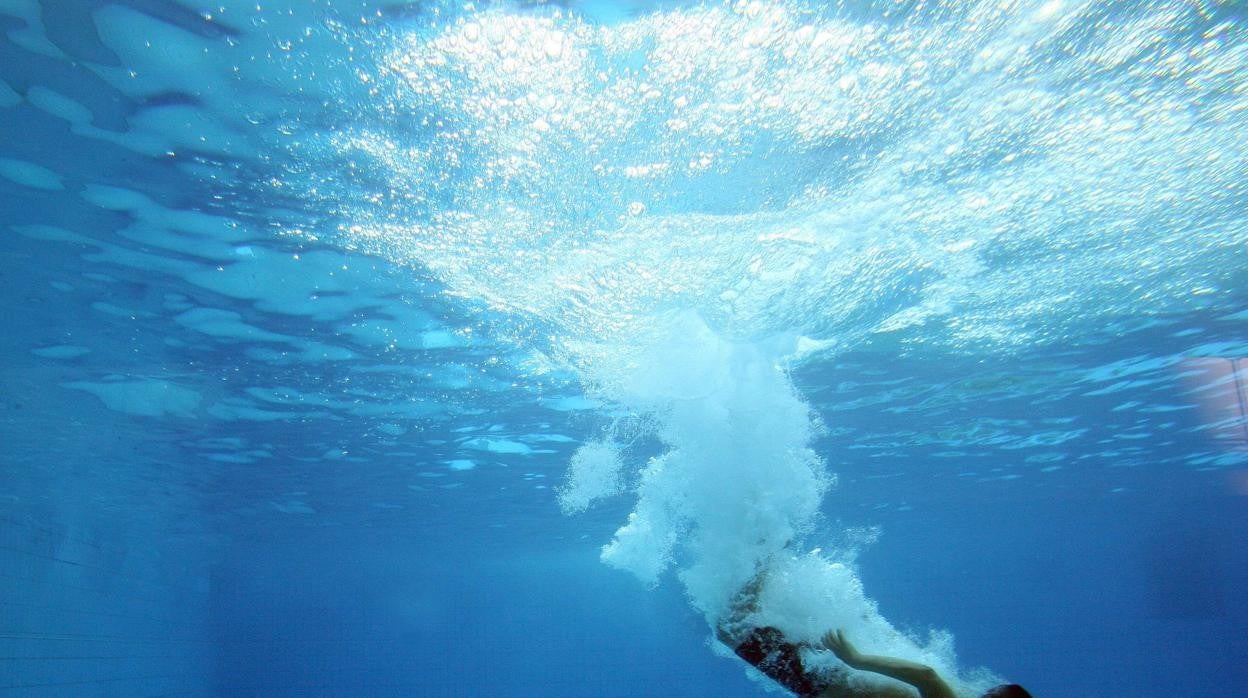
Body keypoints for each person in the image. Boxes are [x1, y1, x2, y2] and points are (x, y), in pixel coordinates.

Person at [716, 570, 1032, 698]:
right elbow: (926, 674)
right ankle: (765, 553)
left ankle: (767, 558)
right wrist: (855, 658)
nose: (985, 692)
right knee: (731, 627)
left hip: (828, 680)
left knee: (745, 625)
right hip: (827, 680)